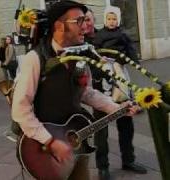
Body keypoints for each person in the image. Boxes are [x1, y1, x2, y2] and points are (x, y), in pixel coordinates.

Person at [12, 1, 140, 180]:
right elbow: (20, 109)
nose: (86, 26)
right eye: (79, 21)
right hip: (45, 148)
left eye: (86, 20)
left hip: (76, 136)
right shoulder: (35, 58)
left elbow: (86, 92)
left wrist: (117, 108)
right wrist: (50, 141)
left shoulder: (79, 55)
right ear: (59, 25)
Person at [85, 7, 147, 180]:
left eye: (90, 19)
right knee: (101, 131)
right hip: (100, 91)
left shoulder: (108, 35)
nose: (87, 23)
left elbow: (129, 50)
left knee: (126, 125)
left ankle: (129, 159)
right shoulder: (84, 41)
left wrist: (128, 59)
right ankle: (102, 167)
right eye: (84, 20)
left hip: (120, 86)